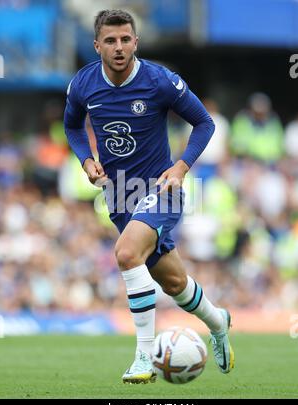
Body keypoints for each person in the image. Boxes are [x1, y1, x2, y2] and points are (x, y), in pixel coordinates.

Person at [64, 9, 234, 384]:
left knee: (126, 254)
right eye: (110, 41)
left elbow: (205, 122)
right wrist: (86, 158)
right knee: (173, 283)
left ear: (136, 42)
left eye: (126, 39)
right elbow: (72, 124)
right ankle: (218, 321)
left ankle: (144, 355)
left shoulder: (160, 81)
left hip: (160, 189)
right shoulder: (83, 85)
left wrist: (182, 166)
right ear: (97, 46)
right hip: (120, 196)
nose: (119, 47)